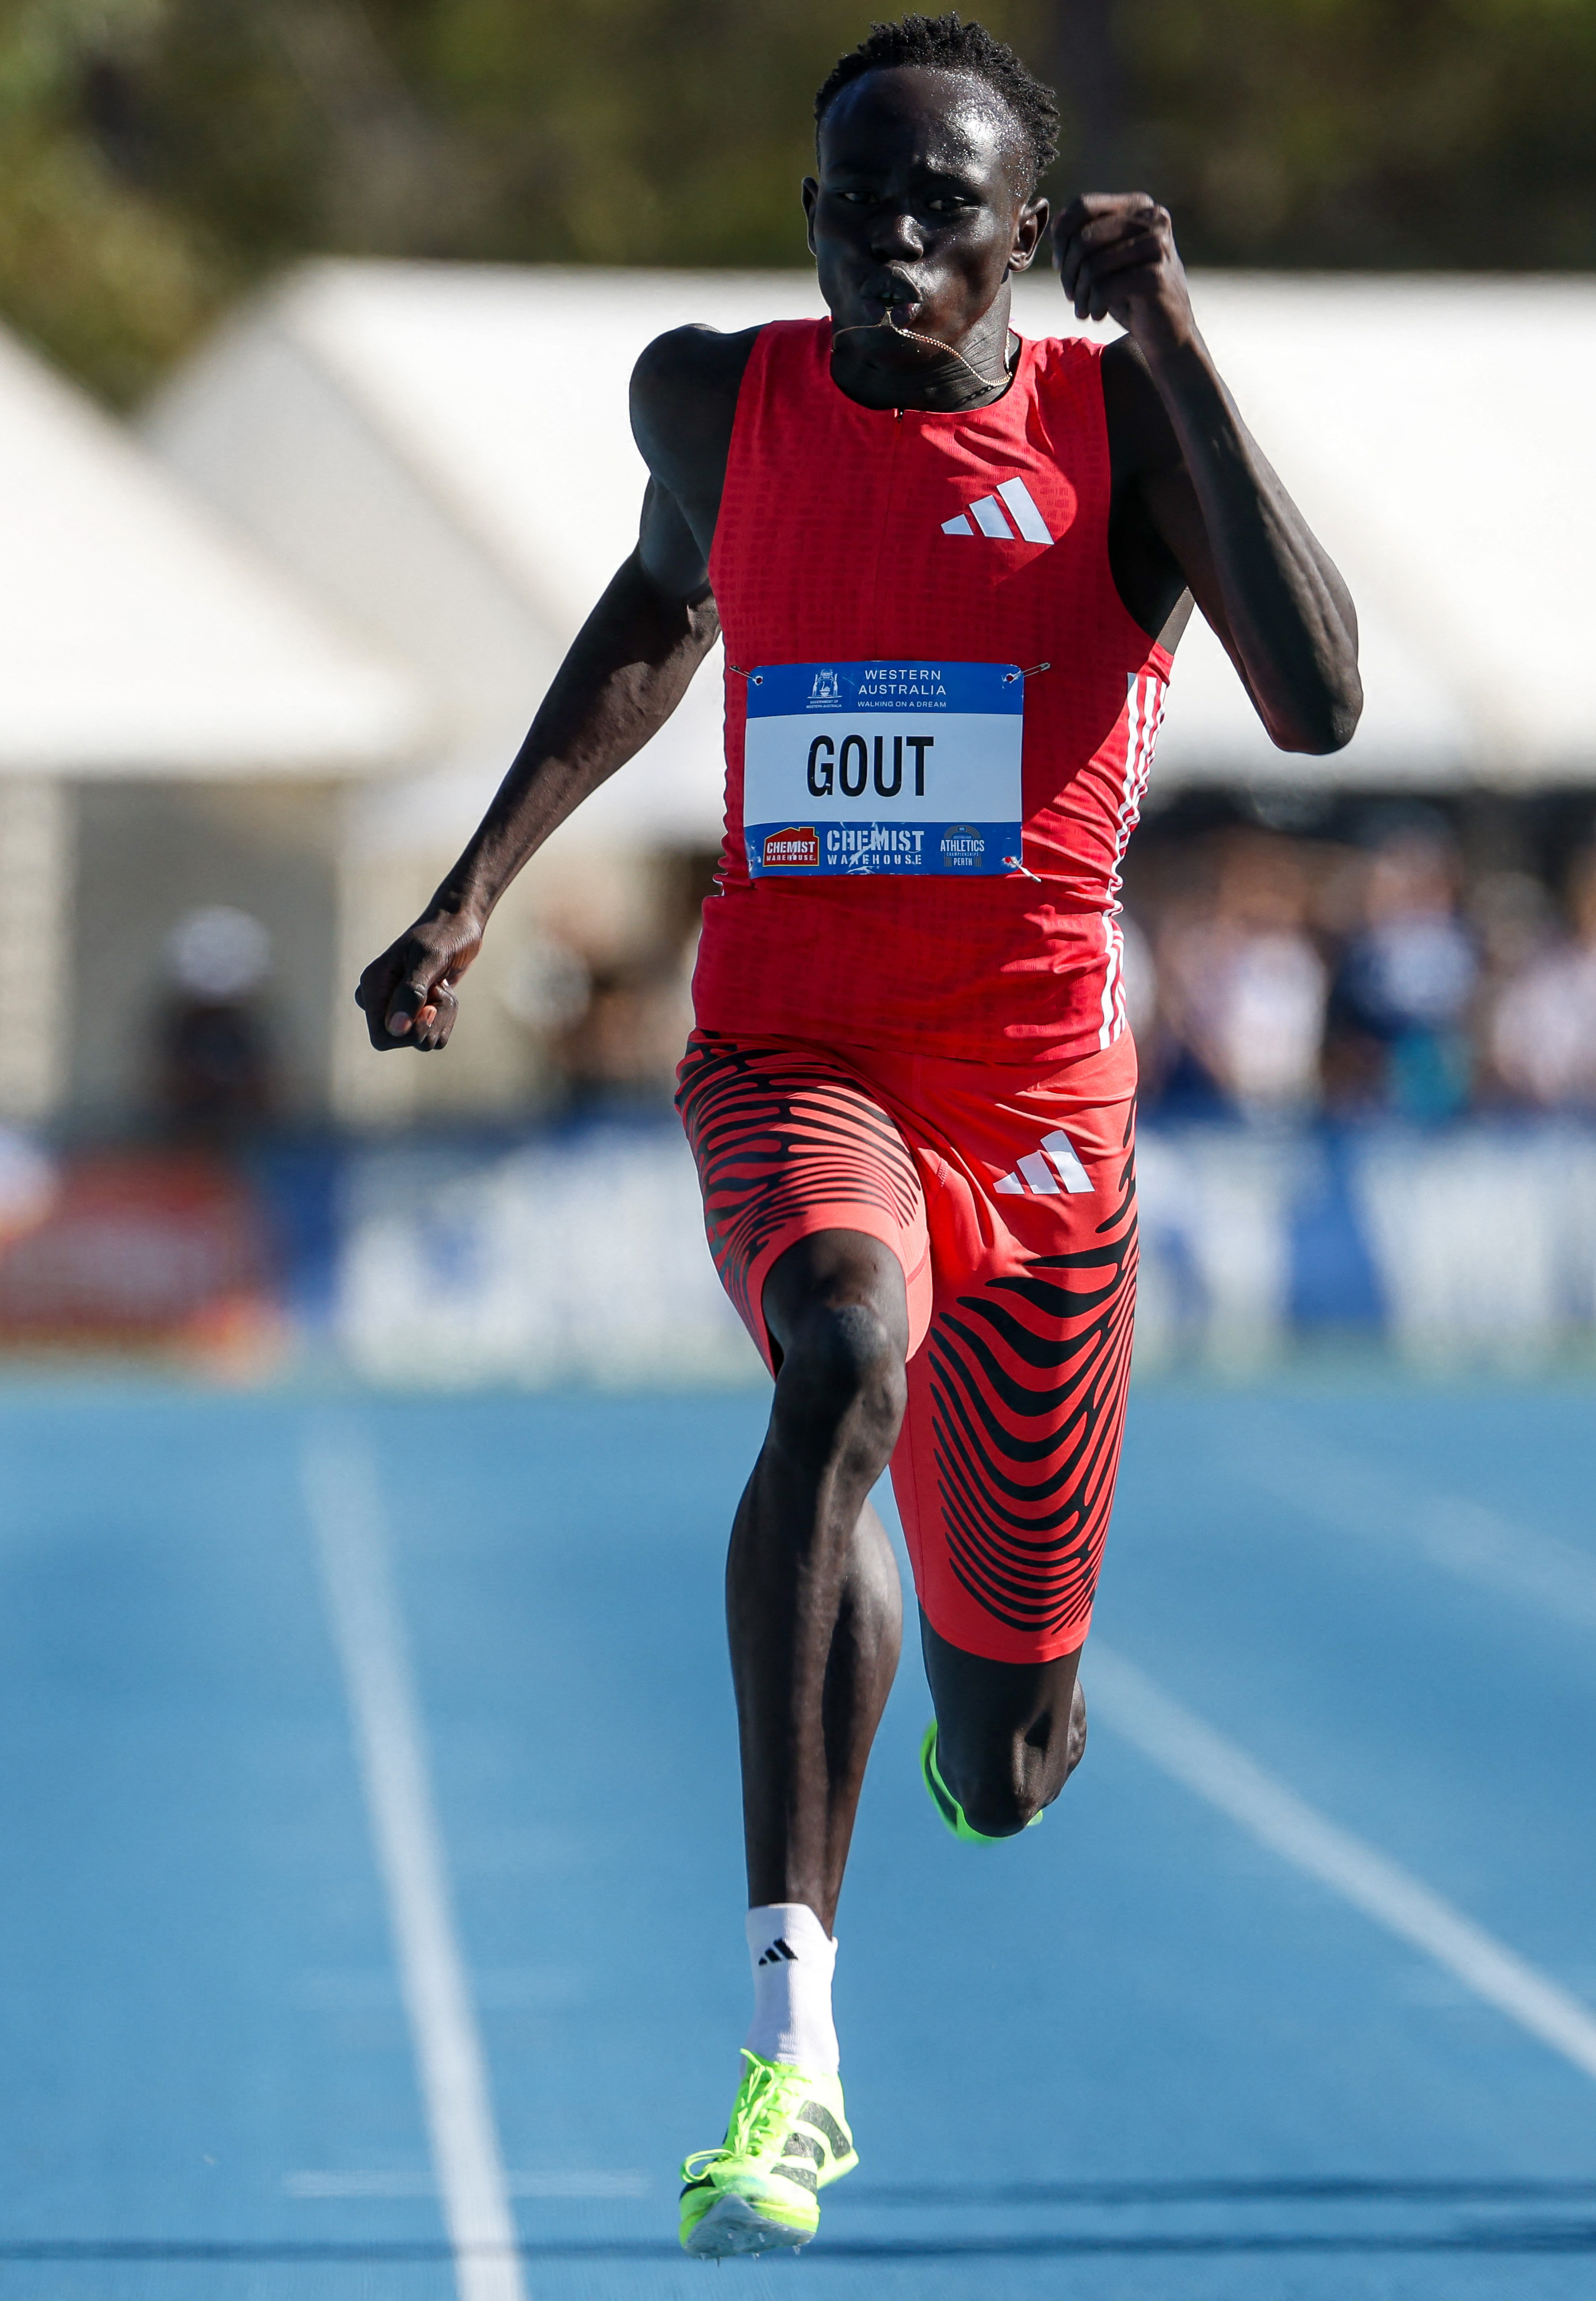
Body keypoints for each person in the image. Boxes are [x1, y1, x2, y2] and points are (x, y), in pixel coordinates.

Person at [352, 14, 1357, 2259]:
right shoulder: (718, 400)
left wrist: (1176, 334)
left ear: (1028, 229)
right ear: (799, 208)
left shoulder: (1117, 428)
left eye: (938, 205)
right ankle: (790, 2043)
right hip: (793, 1059)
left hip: (1039, 1131)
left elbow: (1321, 698)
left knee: (1010, 1765)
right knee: (833, 1343)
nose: (884, 239)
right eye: (847, 197)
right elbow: (656, 603)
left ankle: (948, 1685)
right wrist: (476, 882)